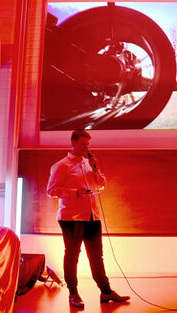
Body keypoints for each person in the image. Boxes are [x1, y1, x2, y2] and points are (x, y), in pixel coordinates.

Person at [47, 130, 130, 309]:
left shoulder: (88, 163)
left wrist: (96, 169)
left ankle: (106, 291)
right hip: (72, 217)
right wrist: (74, 193)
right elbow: (51, 190)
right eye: (83, 144)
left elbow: (101, 184)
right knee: (72, 256)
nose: (87, 147)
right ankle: (73, 292)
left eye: (88, 144)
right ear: (73, 143)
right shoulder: (61, 166)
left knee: (97, 256)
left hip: (92, 216)